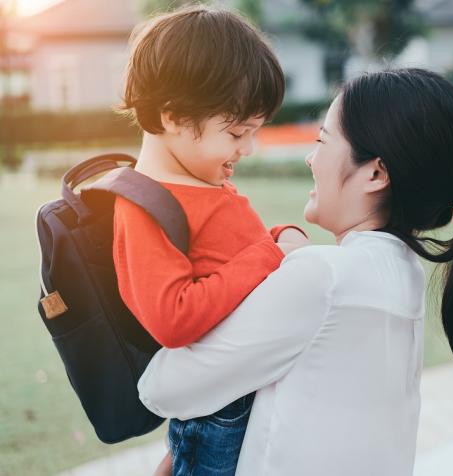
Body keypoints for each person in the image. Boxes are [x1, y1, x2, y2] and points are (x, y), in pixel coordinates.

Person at [138, 68, 453, 476]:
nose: (310, 156)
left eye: (322, 140)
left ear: (375, 173)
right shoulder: (403, 274)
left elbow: (165, 388)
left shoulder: (322, 277)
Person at [114, 5, 308, 475]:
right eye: (238, 132)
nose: (248, 148)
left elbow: (235, 254)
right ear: (175, 116)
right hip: (222, 414)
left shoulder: (201, 181)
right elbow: (174, 319)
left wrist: (280, 236)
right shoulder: (145, 206)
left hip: (242, 388)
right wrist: (269, 253)